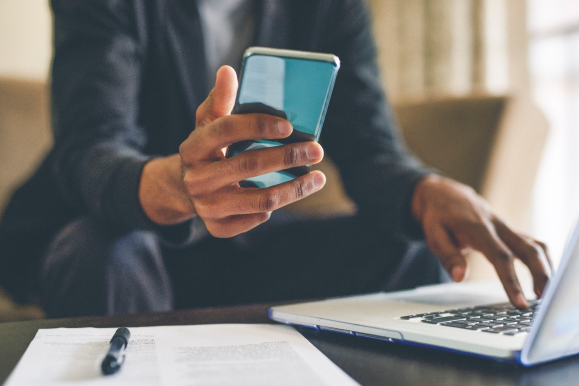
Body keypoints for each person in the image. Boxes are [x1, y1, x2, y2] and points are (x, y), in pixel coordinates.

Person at [0, 0, 552, 318]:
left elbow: (371, 149)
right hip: (122, 228)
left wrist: (427, 190)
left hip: (248, 244)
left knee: (407, 254)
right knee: (106, 254)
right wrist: (182, 187)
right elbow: (89, 145)